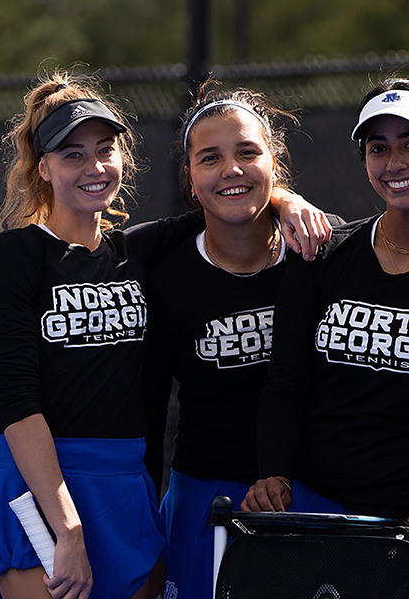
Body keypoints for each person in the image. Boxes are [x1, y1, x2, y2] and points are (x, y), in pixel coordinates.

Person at [0, 71, 331, 599]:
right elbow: (17, 403)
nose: (94, 167)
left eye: (104, 150)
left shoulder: (136, 252)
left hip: (124, 485)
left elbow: (229, 199)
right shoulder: (17, 254)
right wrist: (68, 528)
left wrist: (286, 199)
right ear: (43, 167)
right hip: (45, 482)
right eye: (72, 154)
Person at [245, 78, 409, 595]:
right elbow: (285, 381)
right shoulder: (322, 254)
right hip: (316, 517)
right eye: (378, 148)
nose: (396, 163)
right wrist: (274, 473)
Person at [142, 81, 337, 599]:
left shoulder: (321, 250)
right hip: (204, 496)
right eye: (211, 158)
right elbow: (149, 406)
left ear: (275, 164)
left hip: (306, 494)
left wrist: (285, 202)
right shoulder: (162, 273)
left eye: (248, 152)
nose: (231, 169)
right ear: (189, 180)